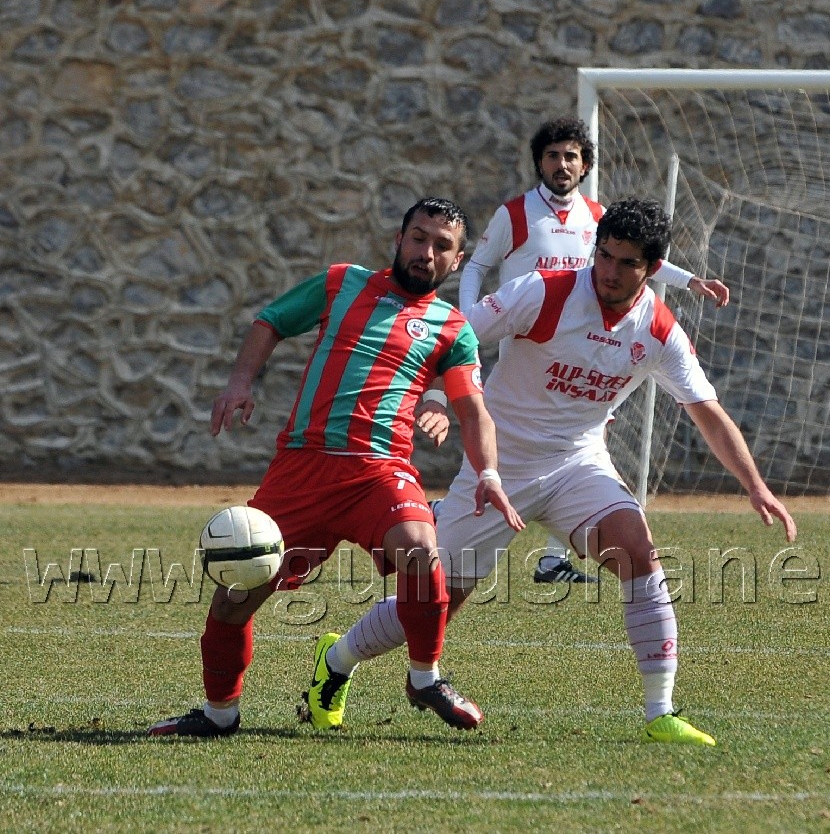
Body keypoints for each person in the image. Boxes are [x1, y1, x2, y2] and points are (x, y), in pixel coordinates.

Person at [301, 199, 796, 746]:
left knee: (637, 549)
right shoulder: (543, 290)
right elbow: (455, 334)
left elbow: (707, 410)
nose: (609, 271)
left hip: (577, 463)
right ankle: (338, 658)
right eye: (603, 255)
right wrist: (440, 395)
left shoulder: (658, 328)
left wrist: (755, 486)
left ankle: (661, 712)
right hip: (500, 466)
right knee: (437, 602)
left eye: (626, 263)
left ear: (652, 270)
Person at [147, 197, 525, 738]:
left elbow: (473, 409)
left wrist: (488, 473)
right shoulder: (341, 283)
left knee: (421, 547)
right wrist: (239, 383)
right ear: (399, 241)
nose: (427, 252)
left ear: (458, 261)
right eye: (418, 238)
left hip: (378, 470)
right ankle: (218, 713)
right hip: (302, 468)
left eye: (442, 246)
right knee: (236, 594)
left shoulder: (451, 327)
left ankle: (425, 677)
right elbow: (271, 320)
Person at [452, 116, 731, 585]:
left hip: (584, 346)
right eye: (553, 155)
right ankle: (467, 510)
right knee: (517, 449)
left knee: (586, 443)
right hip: (524, 343)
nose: (562, 164)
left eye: (571, 156)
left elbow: (640, 259)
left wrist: (690, 281)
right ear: (540, 161)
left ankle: (551, 558)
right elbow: (476, 267)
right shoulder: (514, 214)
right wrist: (469, 333)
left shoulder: (599, 218)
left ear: (584, 166)